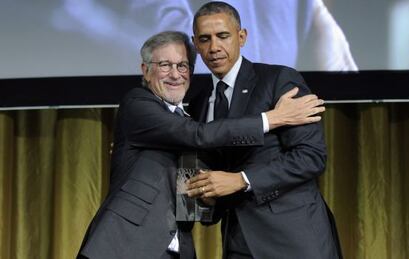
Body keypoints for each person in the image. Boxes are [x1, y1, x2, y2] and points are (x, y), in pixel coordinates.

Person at [77, 30, 325, 259]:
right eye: (164, 65)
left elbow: (190, 202)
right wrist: (271, 118)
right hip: (126, 246)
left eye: (183, 65)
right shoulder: (138, 104)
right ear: (145, 70)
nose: (175, 74)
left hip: (175, 248)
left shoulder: (188, 117)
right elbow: (197, 135)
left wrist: (209, 197)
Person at [186, 2, 342, 258]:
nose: (214, 47)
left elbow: (311, 157)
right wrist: (208, 199)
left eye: (223, 36)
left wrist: (241, 180)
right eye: (205, 39)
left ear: (242, 36)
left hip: (294, 238)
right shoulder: (199, 102)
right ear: (196, 44)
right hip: (237, 242)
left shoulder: (279, 81)